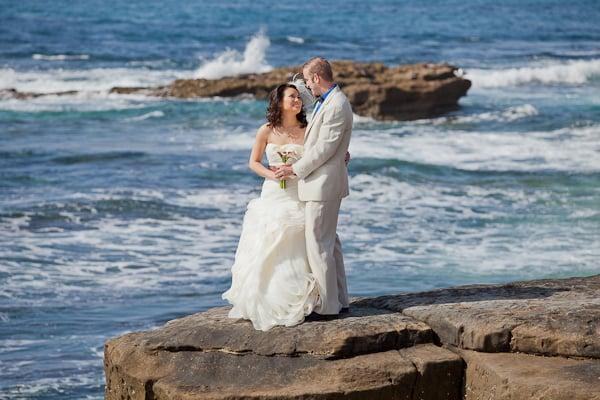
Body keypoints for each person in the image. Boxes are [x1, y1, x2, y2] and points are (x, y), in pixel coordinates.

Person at [221, 83, 320, 331]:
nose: (297, 100)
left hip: (300, 192)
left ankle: (301, 296)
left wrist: (343, 156)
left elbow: (323, 154)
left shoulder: (309, 129)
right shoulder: (266, 130)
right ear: (279, 102)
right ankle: (265, 297)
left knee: (297, 238)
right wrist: (271, 175)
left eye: (299, 97)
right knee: (269, 240)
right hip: (274, 192)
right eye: (292, 97)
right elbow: (253, 162)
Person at [275, 57, 352, 315]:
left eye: (308, 80)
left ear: (317, 78)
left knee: (318, 245)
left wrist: (294, 169)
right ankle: (341, 299)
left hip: (323, 185)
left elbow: (323, 149)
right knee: (331, 244)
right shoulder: (327, 102)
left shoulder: (337, 105)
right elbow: (325, 144)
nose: (307, 86)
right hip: (323, 183)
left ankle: (328, 307)